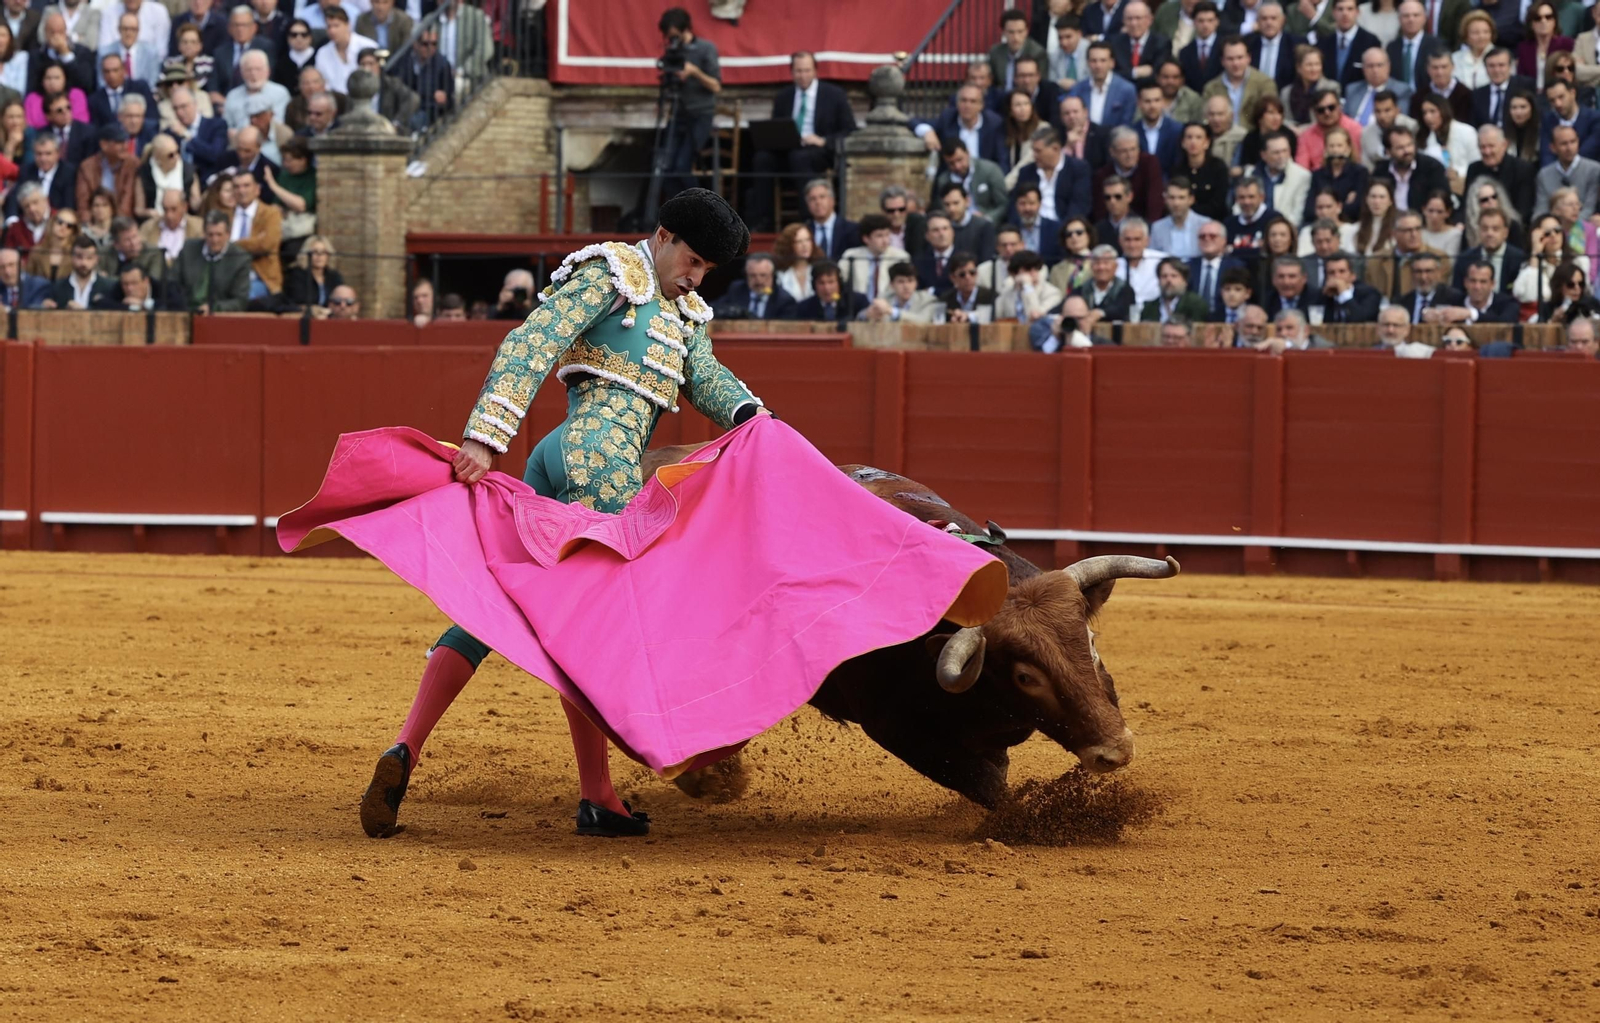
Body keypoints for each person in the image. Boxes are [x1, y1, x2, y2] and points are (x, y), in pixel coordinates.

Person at [362, 192, 771, 841]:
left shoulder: (685, 314)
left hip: (560, 457)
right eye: (691, 260)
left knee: (496, 604)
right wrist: (485, 433)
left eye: (706, 270)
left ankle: (405, 749)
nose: (696, 277)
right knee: (602, 621)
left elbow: (707, 378)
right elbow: (535, 338)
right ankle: (604, 793)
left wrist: (753, 417)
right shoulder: (610, 270)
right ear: (661, 236)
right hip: (600, 461)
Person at [744, 51, 854, 232]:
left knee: (799, 157)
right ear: (792, 72)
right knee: (762, 158)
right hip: (789, 149)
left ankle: (808, 219)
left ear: (815, 71)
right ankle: (764, 220)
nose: (802, 76)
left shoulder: (834, 95)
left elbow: (849, 131)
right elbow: (776, 127)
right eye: (798, 71)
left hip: (818, 152)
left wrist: (823, 140)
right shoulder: (783, 97)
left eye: (806, 71)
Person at [656, 8, 720, 202]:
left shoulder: (705, 49)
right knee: (665, 168)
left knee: (682, 165)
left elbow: (716, 86)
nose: (673, 40)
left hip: (700, 114)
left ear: (685, 30)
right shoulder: (673, 52)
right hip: (678, 114)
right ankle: (681, 209)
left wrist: (694, 72)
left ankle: (703, 206)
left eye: (675, 36)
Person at [166, 207, 249, 311]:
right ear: (204, 233)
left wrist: (214, 308)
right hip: (186, 311)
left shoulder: (240, 259)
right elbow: (172, 281)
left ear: (228, 235)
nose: (214, 240)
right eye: (210, 235)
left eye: (219, 235)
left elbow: (240, 301)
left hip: (219, 318)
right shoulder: (189, 249)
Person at [1432, 259, 1520, 321]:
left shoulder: (1508, 303)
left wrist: (1471, 314)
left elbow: (1505, 322)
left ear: (1492, 284)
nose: (1477, 287)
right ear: (1465, 282)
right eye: (1473, 281)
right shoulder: (1453, 300)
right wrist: (1427, 313)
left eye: (1483, 282)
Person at [40, 232, 112, 307]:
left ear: (96, 259)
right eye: (79, 257)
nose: (84, 263)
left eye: (89, 258)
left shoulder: (108, 287)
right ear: (72, 257)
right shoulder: (58, 287)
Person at [721, 251, 797, 321]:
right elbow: (715, 308)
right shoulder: (737, 290)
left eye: (763, 275)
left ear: (772, 276)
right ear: (746, 275)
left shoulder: (784, 300)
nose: (758, 280)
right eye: (752, 275)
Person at [1396, 250, 1463, 319]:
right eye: (1418, 272)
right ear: (1412, 274)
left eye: (1428, 271)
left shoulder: (1454, 299)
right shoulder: (1402, 302)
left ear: (1438, 273)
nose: (1423, 277)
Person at [795, 259, 868, 322]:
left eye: (831, 282)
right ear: (814, 285)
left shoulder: (857, 301)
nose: (826, 288)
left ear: (839, 283)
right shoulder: (803, 308)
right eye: (821, 283)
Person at [773, 222, 815, 303]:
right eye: (799, 241)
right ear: (788, 245)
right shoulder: (780, 274)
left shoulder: (817, 268)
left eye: (808, 240)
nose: (804, 245)